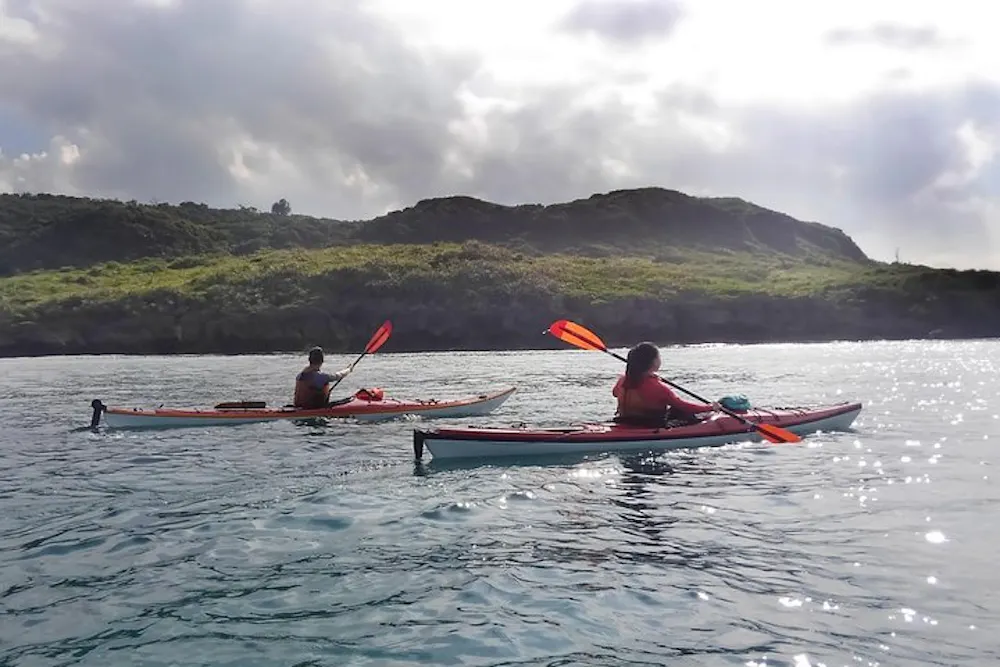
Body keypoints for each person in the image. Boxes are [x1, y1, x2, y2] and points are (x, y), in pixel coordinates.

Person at [612, 341, 718, 427]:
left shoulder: (622, 380)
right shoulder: (658, 387)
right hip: (650, 426)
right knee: (682, 412)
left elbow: (615, 393)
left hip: (624, 421)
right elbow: (684, 406)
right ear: (653, 362)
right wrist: (709, 408)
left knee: (674, 411)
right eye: (658, 357)